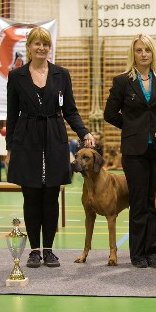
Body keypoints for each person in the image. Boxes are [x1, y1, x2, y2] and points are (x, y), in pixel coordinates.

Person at [6, 27, 95, 268]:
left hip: (55, 138)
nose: (41, 48)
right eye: (37, 44)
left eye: (45, 44)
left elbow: (70, 110)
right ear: (29, 46)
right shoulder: (16, 77)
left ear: (49, 47)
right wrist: (10, 148)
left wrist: (84, 132)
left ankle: (49, 249)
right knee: (31, 196)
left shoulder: (61, 75)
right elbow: (12, 116)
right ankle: (34, 250)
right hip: (26, 140)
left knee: (51, 196)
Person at [104, 34, 156, 269]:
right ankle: (137, 254)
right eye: (139, 50)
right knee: (138, 202)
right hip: (134, 151)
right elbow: (109, 114)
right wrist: (131, 127)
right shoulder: (122, 82)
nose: (143, 54)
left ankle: (154, 251)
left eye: (147, 49)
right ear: (133, 54)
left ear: (153, 52)